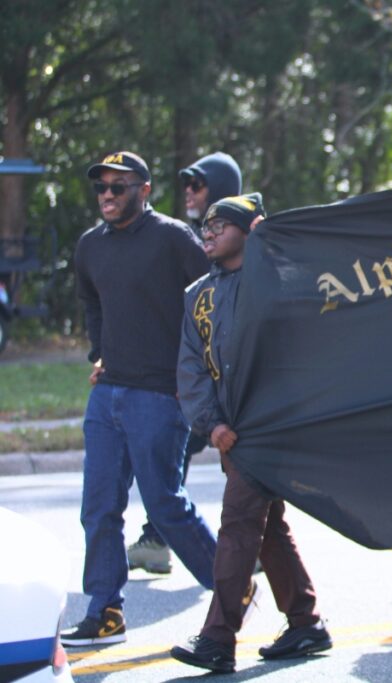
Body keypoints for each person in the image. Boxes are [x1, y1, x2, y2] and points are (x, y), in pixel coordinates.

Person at [61, 151, 217, 646]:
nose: (108, 195)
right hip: (107, 396)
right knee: (99, 506)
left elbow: (211, 301)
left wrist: (195, 374)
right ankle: (105, 611)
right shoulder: (90, 246)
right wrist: (100, 351)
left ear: (144, 191)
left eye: (119, 186)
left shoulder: (173, 239)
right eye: (102, 187)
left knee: (165, 506)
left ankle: (232, 592)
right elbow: (92, 302)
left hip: (159, 394)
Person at [170, 194, 332, 673]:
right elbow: (190, 368)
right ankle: (306, 623)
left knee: (239, 525)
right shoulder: (197, 295)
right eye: (206, 224)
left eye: (222, 224)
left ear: (250, 229)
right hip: (230, 435)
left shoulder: (279, 284)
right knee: (268, 531)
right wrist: (212, 424)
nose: (209, 231)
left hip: (269, 429)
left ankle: (217, 639)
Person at [127, 150, 243, 575]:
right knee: (179, 455)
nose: (189, 193)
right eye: (187, 185)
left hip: (231, 376)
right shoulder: (187, 237)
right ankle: (160, 536)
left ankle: (253, 547)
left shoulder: (234, 244)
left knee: (243, 466)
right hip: (193, 374)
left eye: (199, 184)